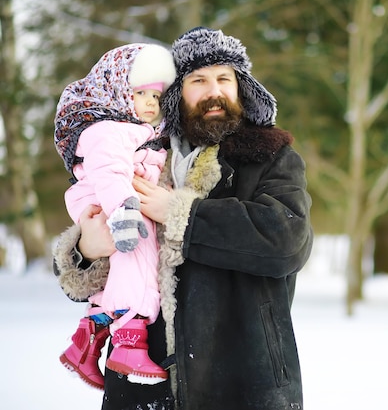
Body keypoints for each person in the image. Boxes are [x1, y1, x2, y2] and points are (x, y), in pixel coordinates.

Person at [52, 27, 314, 410]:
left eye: (225, 79)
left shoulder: (270, 156)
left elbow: (286, 240)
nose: (215, 91)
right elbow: (90, 272)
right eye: (198, 80)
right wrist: (86, 250)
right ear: (176, 93)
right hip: (141, 381)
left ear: (241, 88)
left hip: (243, 382)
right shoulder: (141, 156)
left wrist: (180, 214)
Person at [54, 43, 177, 390]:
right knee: (138, 256)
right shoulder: (112, 128)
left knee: (122, 267)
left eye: (157, 95)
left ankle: (87, 341)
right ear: (119, 91)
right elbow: (109, 171)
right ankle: (129, 341)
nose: (151, 103)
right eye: (141, 93)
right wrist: (124, 210)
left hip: (116, 202)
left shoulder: (139, 131)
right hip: (116, 204)